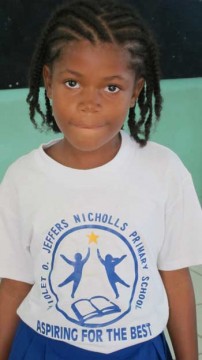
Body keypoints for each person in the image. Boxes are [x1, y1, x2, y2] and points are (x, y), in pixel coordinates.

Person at [0, 0, 202, 359]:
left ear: (136, 90)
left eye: (111, 88)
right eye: (73, 82)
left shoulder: (164, 171)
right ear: (48, 81)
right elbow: (14, 284)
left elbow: (175, 277)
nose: (89, 103)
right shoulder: (22, 178)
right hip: (44, 348)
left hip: (137, 348)